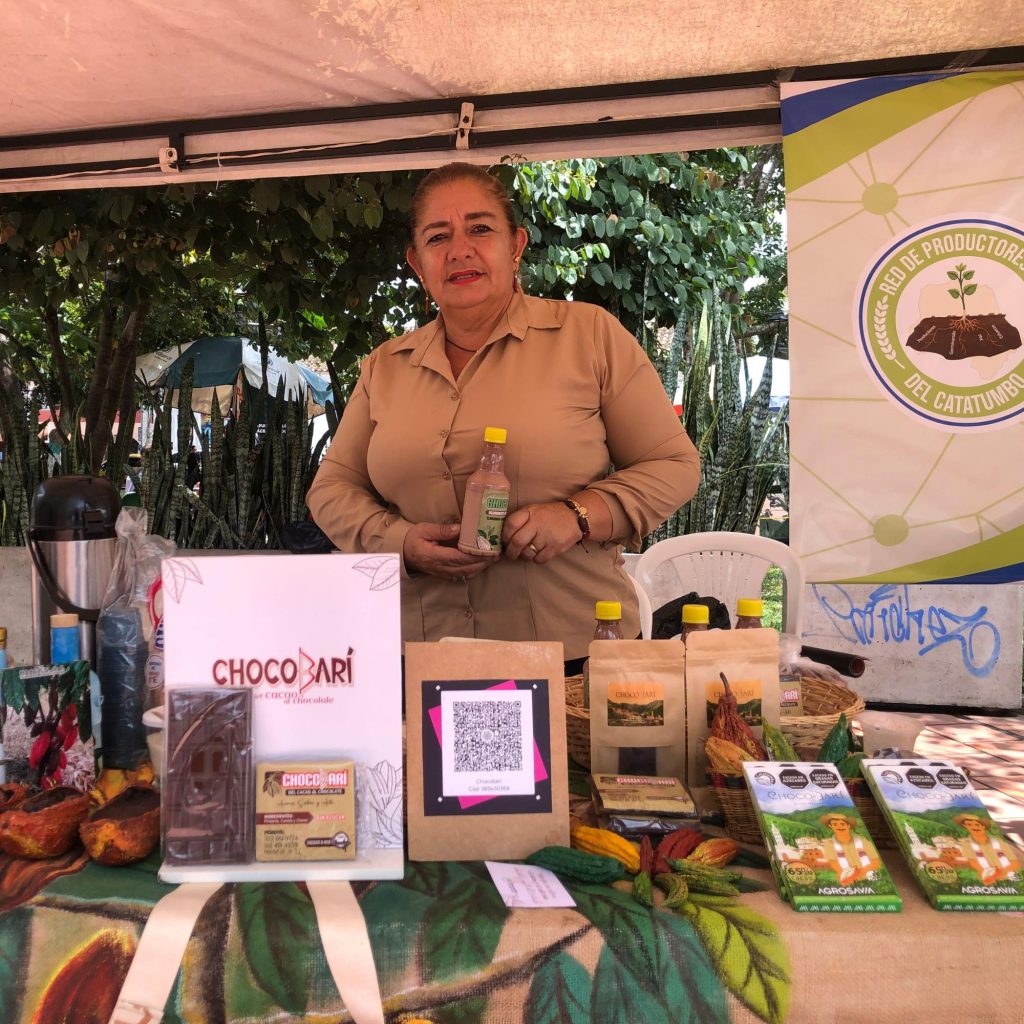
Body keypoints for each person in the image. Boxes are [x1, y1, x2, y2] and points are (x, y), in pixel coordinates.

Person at [307, 162, 699, 663]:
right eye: (438, 237)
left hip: (573, 657)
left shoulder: (589, 336)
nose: (460, 250)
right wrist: (399, 542)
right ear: (417, 263)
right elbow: (331, 489)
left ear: (515, 245)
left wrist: (577, 516)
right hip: (419, 656)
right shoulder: (386, 366)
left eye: (480, 229)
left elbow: (673, 465)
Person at [954, 812, 1020, 884]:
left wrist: (999, 874)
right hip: (987, 879)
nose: (974, 827)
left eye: (977, 825)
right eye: (969, 824)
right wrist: (990, 877)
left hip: (1008, 878)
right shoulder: (966, 844)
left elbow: (1015, 862)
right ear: (965, 826)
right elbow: (973, 863)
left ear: (983, 826)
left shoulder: (999, 841)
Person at [817, 812, 880, 885]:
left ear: (848, 825)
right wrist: (845, 876)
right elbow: (833, 863)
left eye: (842, 824)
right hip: (847, 881)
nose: (839, 827)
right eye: (835, 824)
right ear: (830, 826)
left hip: (868, 879)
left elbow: (876, 862)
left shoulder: (863, 840)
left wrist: (856, 875)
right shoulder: (829, 844)